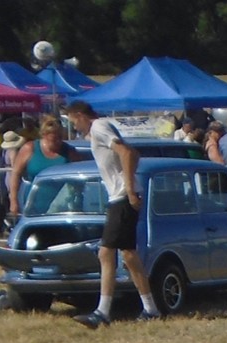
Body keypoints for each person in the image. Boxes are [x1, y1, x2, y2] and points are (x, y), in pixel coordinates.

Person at [63, 100, 162, 326]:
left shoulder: (99, 127)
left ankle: (103, 312)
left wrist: (128, 188)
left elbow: (126, 152)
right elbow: (133, 153)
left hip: (122, 197)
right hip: (121, 195)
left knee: (106, 252)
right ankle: (150, 308)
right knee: (128, 255)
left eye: (73, 121)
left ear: (80, 115)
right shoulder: (99, 130)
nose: (74, 127)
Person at [8, 117, 81, 217]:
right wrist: (13, 201)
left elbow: (79, 177)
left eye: (60, 137)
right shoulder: (29, 148)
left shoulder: (69, 151)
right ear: (44, 135)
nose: (58, 141)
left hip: (62, 206)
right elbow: (15, 174)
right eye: (54, 138)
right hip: (32, 202)